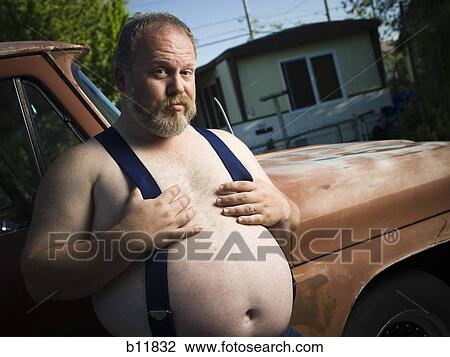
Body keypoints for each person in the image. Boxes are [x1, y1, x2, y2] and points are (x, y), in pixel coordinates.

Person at [21, 12, 301, 337]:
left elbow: (288, 240)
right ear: (123, 80)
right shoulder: (82, 166)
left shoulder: (230, 145)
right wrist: (127, 238)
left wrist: (284, 213)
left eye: (186, 72)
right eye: (160, 71)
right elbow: (38, 281)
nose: (178, 87)